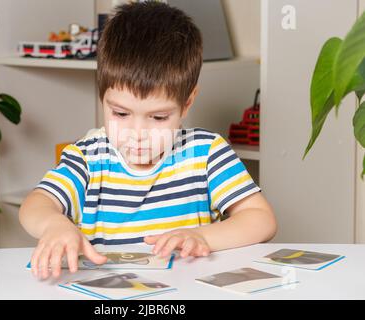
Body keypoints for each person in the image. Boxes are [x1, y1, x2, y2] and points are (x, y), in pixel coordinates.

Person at [19, 1, 277, 280]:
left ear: (187, 102)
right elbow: (36, 204)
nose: (137, 133)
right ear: (102, 95)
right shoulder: (88, 158)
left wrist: (201, 236)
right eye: (120, 113)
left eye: (158, 118)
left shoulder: (206, 153)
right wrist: (55, 225)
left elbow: (261, 219)